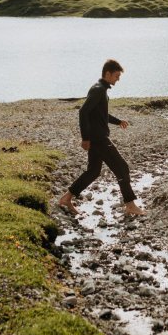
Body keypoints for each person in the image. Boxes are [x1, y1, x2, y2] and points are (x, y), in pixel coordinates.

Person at [58, 59, 145, 218]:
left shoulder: (100, 89)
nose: (118, 79)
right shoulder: (98, 90)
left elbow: (100, 115)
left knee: (93, 172)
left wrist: (118, 121)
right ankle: (130, 205)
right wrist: (85, 138)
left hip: (97, 139)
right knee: (122, 168)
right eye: (117, 76)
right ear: (108, 73)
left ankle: (66, 198)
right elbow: (83, 112)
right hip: (98, 140)